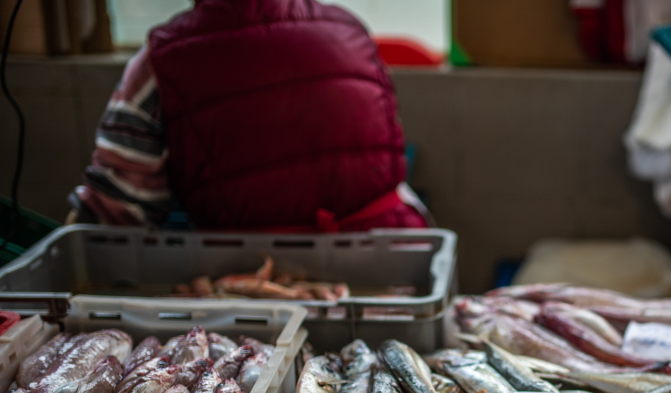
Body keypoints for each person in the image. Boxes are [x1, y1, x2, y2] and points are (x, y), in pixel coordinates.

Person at [67, 0, 428, 232]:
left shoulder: (161, 59)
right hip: (396, 255)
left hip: (257, 281)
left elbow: (117, 214)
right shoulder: (349, 29)